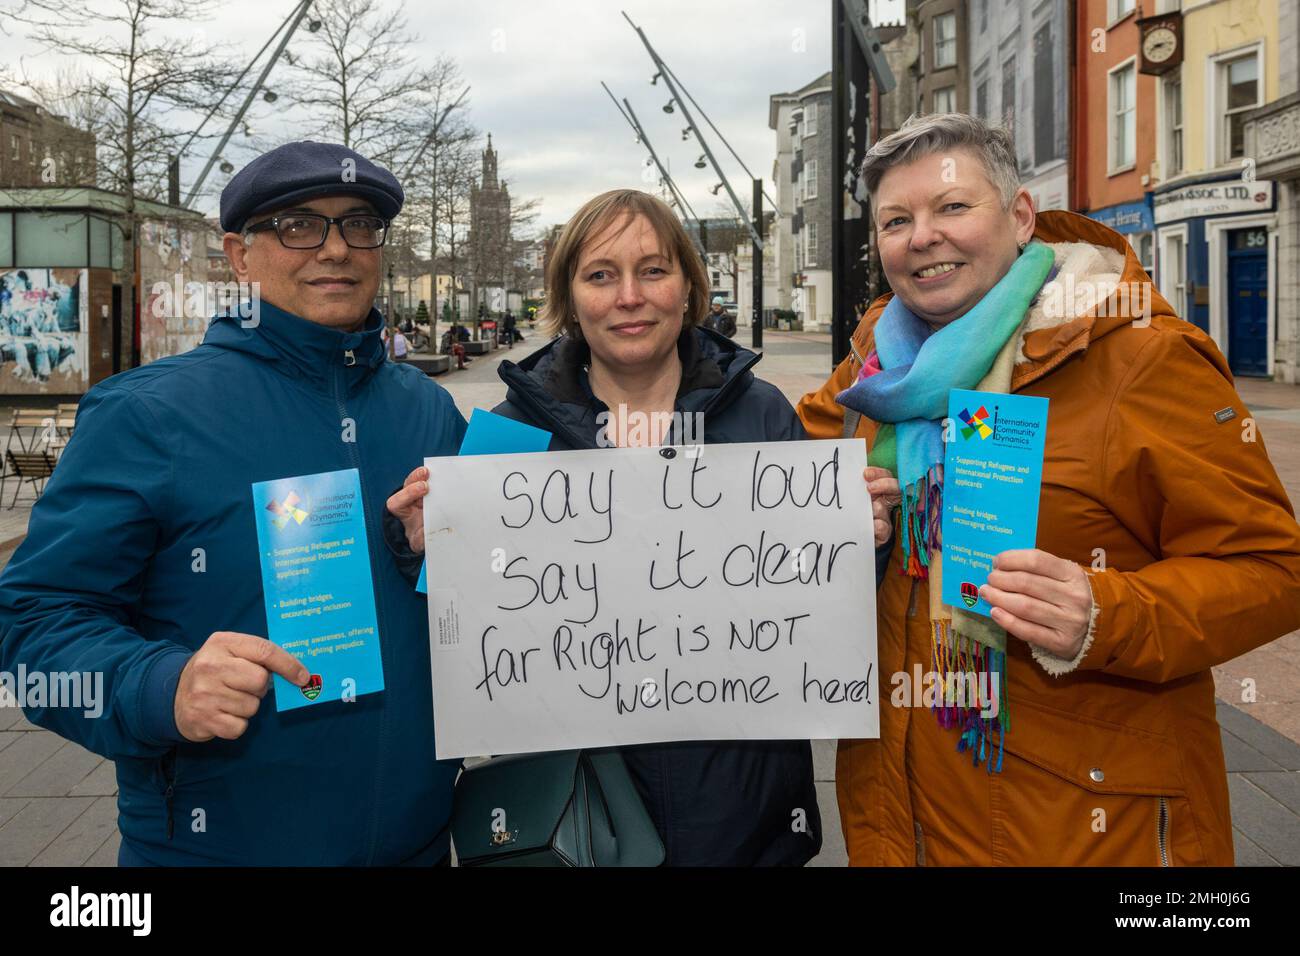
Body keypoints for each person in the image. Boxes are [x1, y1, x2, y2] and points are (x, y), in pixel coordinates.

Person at [797, 113, 1300, 866]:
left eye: (952, 207)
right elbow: (774, 480)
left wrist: (1107, 613)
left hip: (1079, 822)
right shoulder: (878, 364)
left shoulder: (1141, 357)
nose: (922, 236)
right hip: (899, 808)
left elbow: (1273, 570)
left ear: (1021, 215)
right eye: (896, 220)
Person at [384, 189, 890, 866]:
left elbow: (822, 604)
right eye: (600, 275)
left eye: (653, 270)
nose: (629, 296)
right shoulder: (512, 433)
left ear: (688, 286)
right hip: (582, 823)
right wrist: (423, 548)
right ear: (569, 297)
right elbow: (468, 621)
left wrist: (864, 539)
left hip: (745, 815)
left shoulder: (761, 416)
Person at [0, 141, 469, 866]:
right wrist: (164, 686)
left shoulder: (429, 411)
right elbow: (32, 631)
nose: (336, 249)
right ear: (239, 255)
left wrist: (423, 556)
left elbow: (472, 606)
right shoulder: (147, 415)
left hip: (420, 844)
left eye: (359, 224)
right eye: (299, 225)